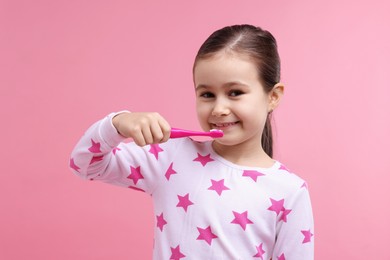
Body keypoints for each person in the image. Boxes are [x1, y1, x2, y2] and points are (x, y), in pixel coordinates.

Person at [70, 24, 314, 259]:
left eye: (235, 93)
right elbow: (85, 164)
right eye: (207, 94)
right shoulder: (170, 157)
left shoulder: (290, 190)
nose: (219, 109)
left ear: (273, 96)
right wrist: (118, 123)